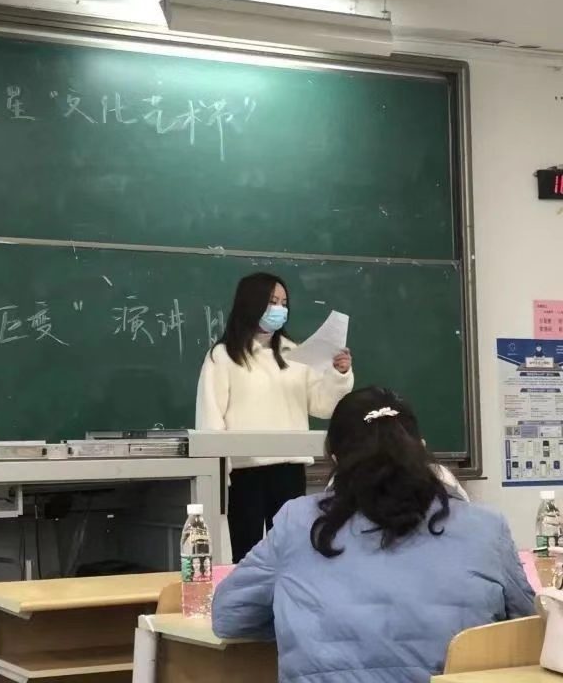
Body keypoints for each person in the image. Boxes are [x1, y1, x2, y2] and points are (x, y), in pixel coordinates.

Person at [212, 387, 535, 683]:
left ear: (335, 460)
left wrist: (302, 622)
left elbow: (230, 616)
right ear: (422, 450)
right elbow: (530, 625)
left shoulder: (298, 521)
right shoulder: (486, 526)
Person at [196, 272, 353, 562]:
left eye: (283, 302)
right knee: (247, 551)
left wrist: (338, 374)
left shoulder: (295, 353)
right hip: (244, 470)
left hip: (289, 467)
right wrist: (217, 473)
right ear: (252, 303)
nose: (279, 309)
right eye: (272, 302)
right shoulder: (224, 356)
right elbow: (211, 419)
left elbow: (321, 405)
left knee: (291, 550)